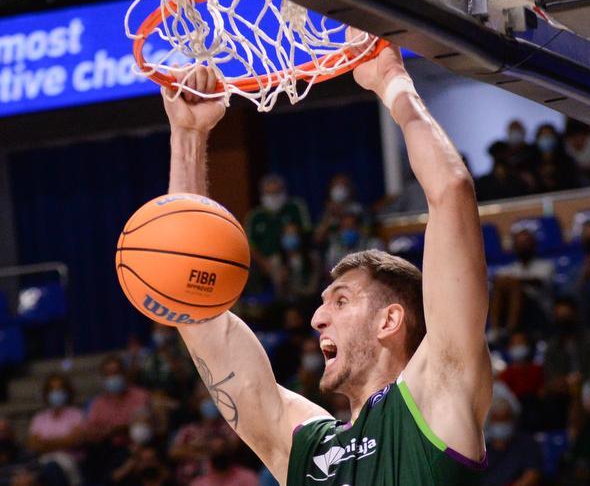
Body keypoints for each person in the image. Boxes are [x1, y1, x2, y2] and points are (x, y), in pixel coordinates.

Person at [163, 49, 492, 483]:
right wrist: (187, 138)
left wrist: (392, 81)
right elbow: (198, 313)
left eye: (341, 301)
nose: (317, 318)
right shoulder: (307, 446)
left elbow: (450, 190)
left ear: (390, 319)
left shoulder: (439, 391)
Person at [244, 174, 312, 259]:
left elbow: (309, 232)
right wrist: (267, 266)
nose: (273, 197)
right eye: (269, 193)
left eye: (277, 192)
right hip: (265, 264)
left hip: (296, 260)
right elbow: (250, 246)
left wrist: (297, 231)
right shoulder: (254, 216)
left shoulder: (296, 207)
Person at [482, 396, 543, 485]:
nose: (501, 424)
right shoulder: (483, 446)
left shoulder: (527, 443)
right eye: (497, 420)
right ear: (490, 422)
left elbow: (532, 474)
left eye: (505, 419)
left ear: (513, 420)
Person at [190, 435, 259, 486]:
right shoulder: (199, 483)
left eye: (222, 450)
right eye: (216, 451)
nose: (219, 454)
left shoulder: (247, 478)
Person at [529, 123, 579, 193]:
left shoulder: (566, 161)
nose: (546, 138)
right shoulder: (530, 162)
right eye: (543, 135)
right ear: (537, 139)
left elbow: (572, 184)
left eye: (549, 135)